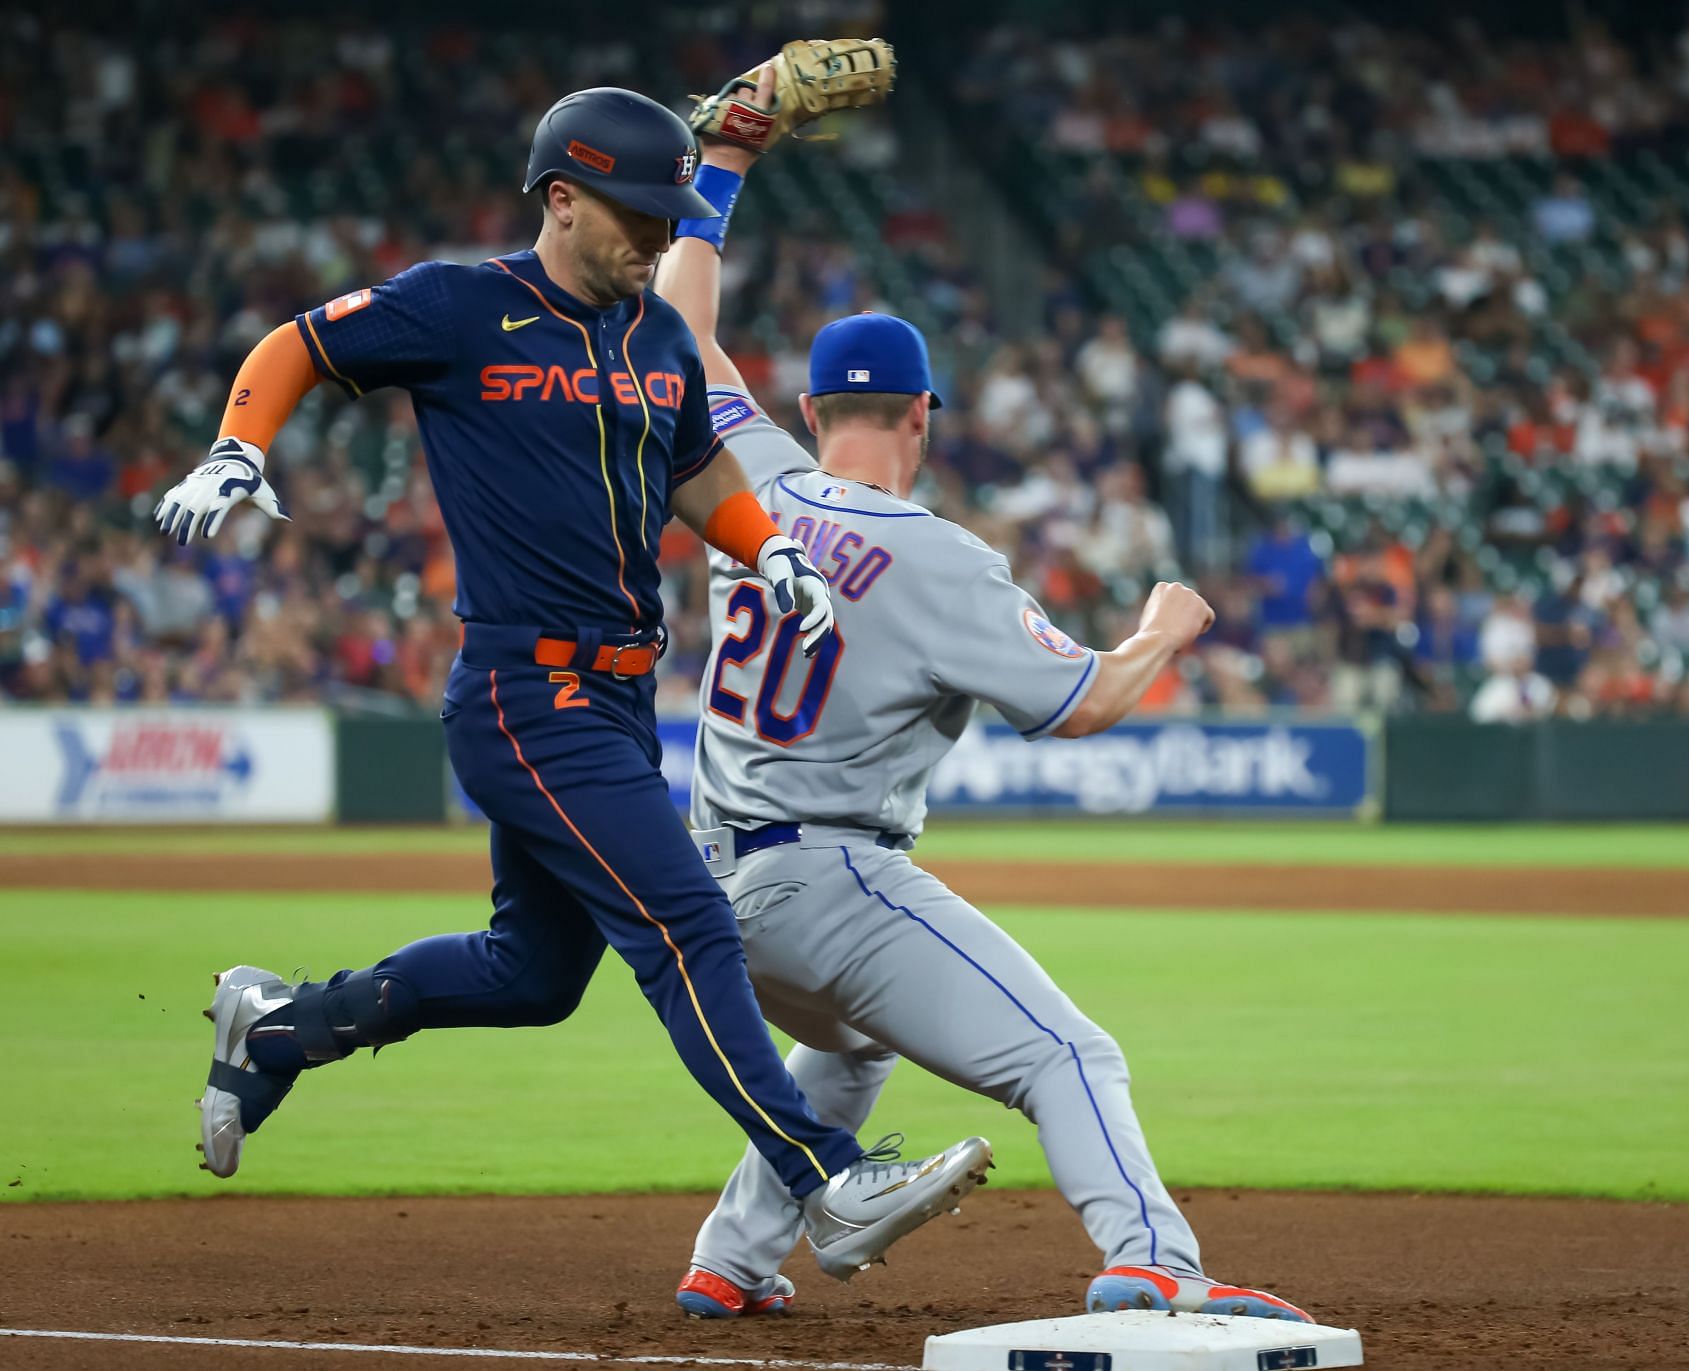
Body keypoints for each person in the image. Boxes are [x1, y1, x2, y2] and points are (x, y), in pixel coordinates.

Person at [160, 84, 988, 1285]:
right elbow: (301, 342)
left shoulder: (654, 336)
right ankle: (827, 1180)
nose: (658, 239)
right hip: (521, 690)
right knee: (687, 921)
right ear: (561, 197)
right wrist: (241, 444)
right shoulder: (459, 306)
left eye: (669, 220)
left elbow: (699, 467)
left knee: (533, 976)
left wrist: (774, 548)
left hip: (611, 701)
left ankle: (283, 1026)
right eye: (639, 217)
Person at [649, 57, 1316, 1325]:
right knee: (1071, 1053)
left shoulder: (753, 477)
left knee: (853, 1048)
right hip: (832, 879)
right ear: (923, 418)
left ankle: (730, 1264)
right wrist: (1161, 629)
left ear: (808, 405)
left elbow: (676, 331)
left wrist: (723, 165)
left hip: (711, 891)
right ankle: (1154, 1261)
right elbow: (1085, 706)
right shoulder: (941, 557)